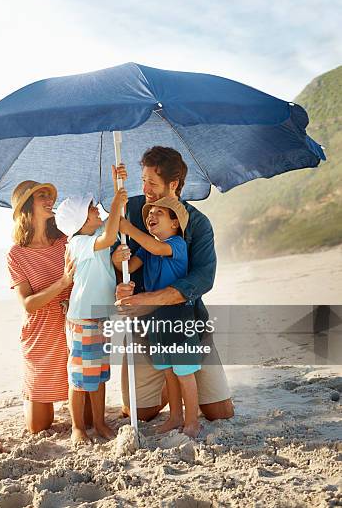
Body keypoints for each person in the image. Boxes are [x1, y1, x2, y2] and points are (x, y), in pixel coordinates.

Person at [112, 146, 234, 422]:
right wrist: (119, 277)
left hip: (185, 322)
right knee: (140, 413)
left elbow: (203, 278)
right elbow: (118, 266)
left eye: (152, 183)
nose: (145, 188)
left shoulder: (198, 224)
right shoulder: (129, 210)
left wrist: (148, 299)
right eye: (142, 180)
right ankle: (169, 388)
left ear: (174, 184)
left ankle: (182, 380)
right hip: (146, 329)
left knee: (220, 413)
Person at [7, 180, 93, 433]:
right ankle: (30, 393)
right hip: (41, 335)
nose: (49, 200)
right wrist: (64, 282)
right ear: (26, 207)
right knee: (38, 427)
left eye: (49, 195)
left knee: (87, 421)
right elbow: (28, 304)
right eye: (41, 196)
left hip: (74, 329)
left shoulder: (66, 241)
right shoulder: (16, 254)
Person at [118, 197, 202, 437]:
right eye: (148, 213)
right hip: (156, 319)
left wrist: (130, 229)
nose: (150, 216)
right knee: (168, 371)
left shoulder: (177, 244)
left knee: (184, 372)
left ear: (175, 223)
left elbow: (157, 248)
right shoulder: (146, 248)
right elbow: (130, 267)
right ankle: (175, 416)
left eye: (158, 213)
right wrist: (121, 256)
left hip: (178, 316)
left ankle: (192, 421)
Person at [55, 176, 127, 444]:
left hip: (101, 315)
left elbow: (111, 241)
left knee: (98, 374)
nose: (97, 208)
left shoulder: (96, 238)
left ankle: (99, 422)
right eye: (92, 208)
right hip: (84, 317)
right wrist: (116, 203)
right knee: (80, 377)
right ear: (81, 222)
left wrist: (117, 257)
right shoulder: (78, 243)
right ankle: (78, 427)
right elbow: (109, 235)